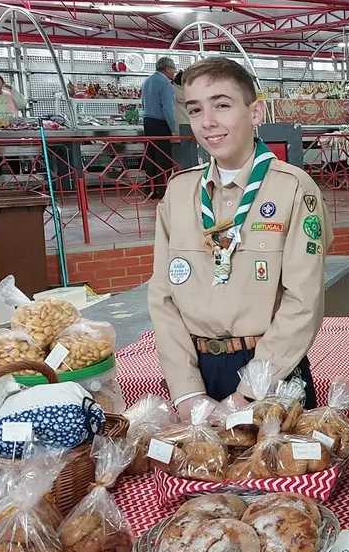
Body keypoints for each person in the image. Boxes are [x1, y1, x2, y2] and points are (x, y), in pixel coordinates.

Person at [148, 57, 331, 417]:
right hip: (197, 373)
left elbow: (303, 301)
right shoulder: (179, 191)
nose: (208, 122)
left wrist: (249, 392)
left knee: (278, 472)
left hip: (270, 371)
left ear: (255, 112)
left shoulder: (293, 189)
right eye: (195, 109)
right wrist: (186, 392)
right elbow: (162, 299)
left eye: (222, 105)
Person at [141, 56, 178, 198]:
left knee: (151, 156)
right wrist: (173, 128)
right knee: (163, 158)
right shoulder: (165, 83)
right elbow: (167, 108)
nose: (174, 72)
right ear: (168, 68)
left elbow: (143, 103)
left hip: (148, 121)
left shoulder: (147, 81)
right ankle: (164, 191)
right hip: (160, 123)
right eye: (173, 69)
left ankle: (150, 190)